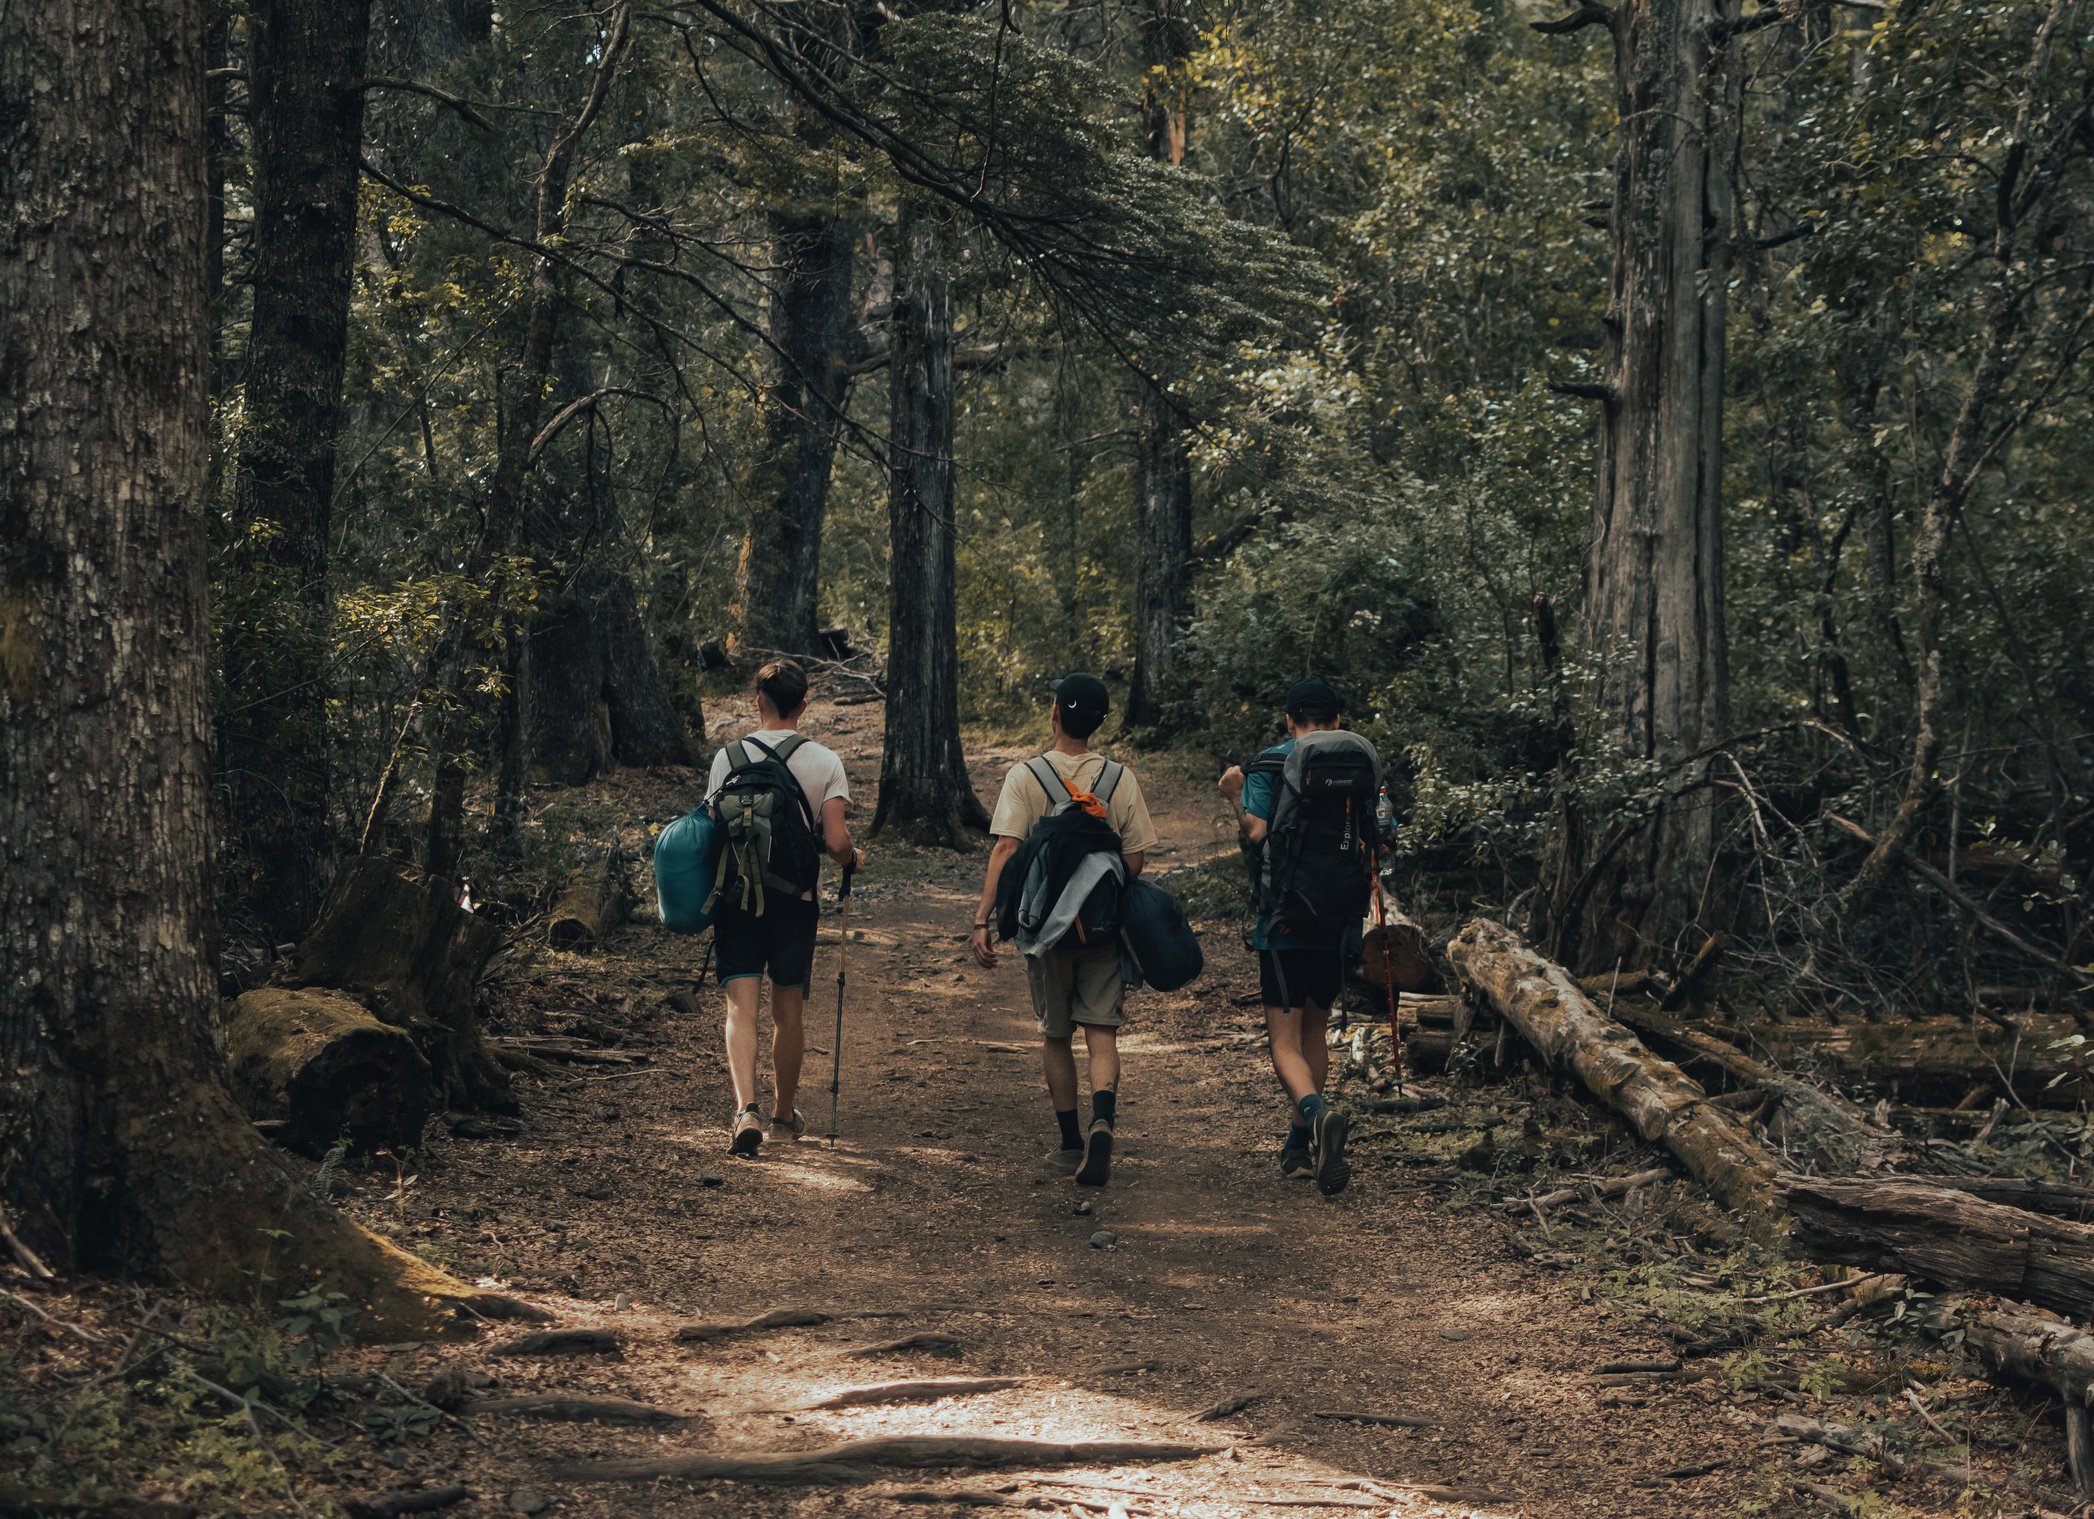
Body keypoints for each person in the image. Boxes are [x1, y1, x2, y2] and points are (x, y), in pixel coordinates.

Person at [971, 674, 1159, 1186]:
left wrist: (983, 917)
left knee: (1056, 1035)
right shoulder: (1120, 780)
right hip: (1103, 930)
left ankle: (1070, 1142)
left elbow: (1007, 849)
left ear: (1053, 712)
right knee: (1102, 1034)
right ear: (1100, 722)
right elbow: (1136, 860)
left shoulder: (1026, 777)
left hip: (1046, 932)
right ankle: (1103, 1120)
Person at [1217, 676, 1377, 1194]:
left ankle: (1315, 1114)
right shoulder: (1360, 762)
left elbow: (1257, 831)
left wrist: (1236, 796)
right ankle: (1297, 1145)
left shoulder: (1269, 762)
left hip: (1285, 917)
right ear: (1336, 720)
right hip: (1340, 920)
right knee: (1315, 1030)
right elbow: (1385, 833)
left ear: (1290, 720)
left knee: (1284, 1041)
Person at [707, 659, 863, 1156]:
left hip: (736, 898)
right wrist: (852, 857)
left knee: (741, 1006)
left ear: (758, 702)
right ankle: (781, 1116)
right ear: (803, 705)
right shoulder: (824, 762)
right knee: (787, 1009)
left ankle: (744, 1109)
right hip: (794, 901)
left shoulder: (726, 758)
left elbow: (712, 828)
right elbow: (836, 842)